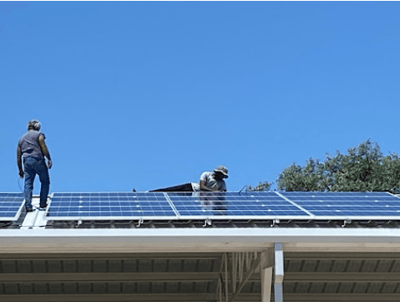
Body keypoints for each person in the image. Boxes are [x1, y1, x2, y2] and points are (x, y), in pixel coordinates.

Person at [17, 120, 52, 212]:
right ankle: (42, 203)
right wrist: (49, 158)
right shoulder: (38, 135)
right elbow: (43, 146)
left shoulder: (21, 139)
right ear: (37, 127)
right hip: (37, 159)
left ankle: (28, 205)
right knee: (45, 181)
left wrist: (20, 169)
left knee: (28, 184)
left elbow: (18, 155)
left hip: (26, 162)